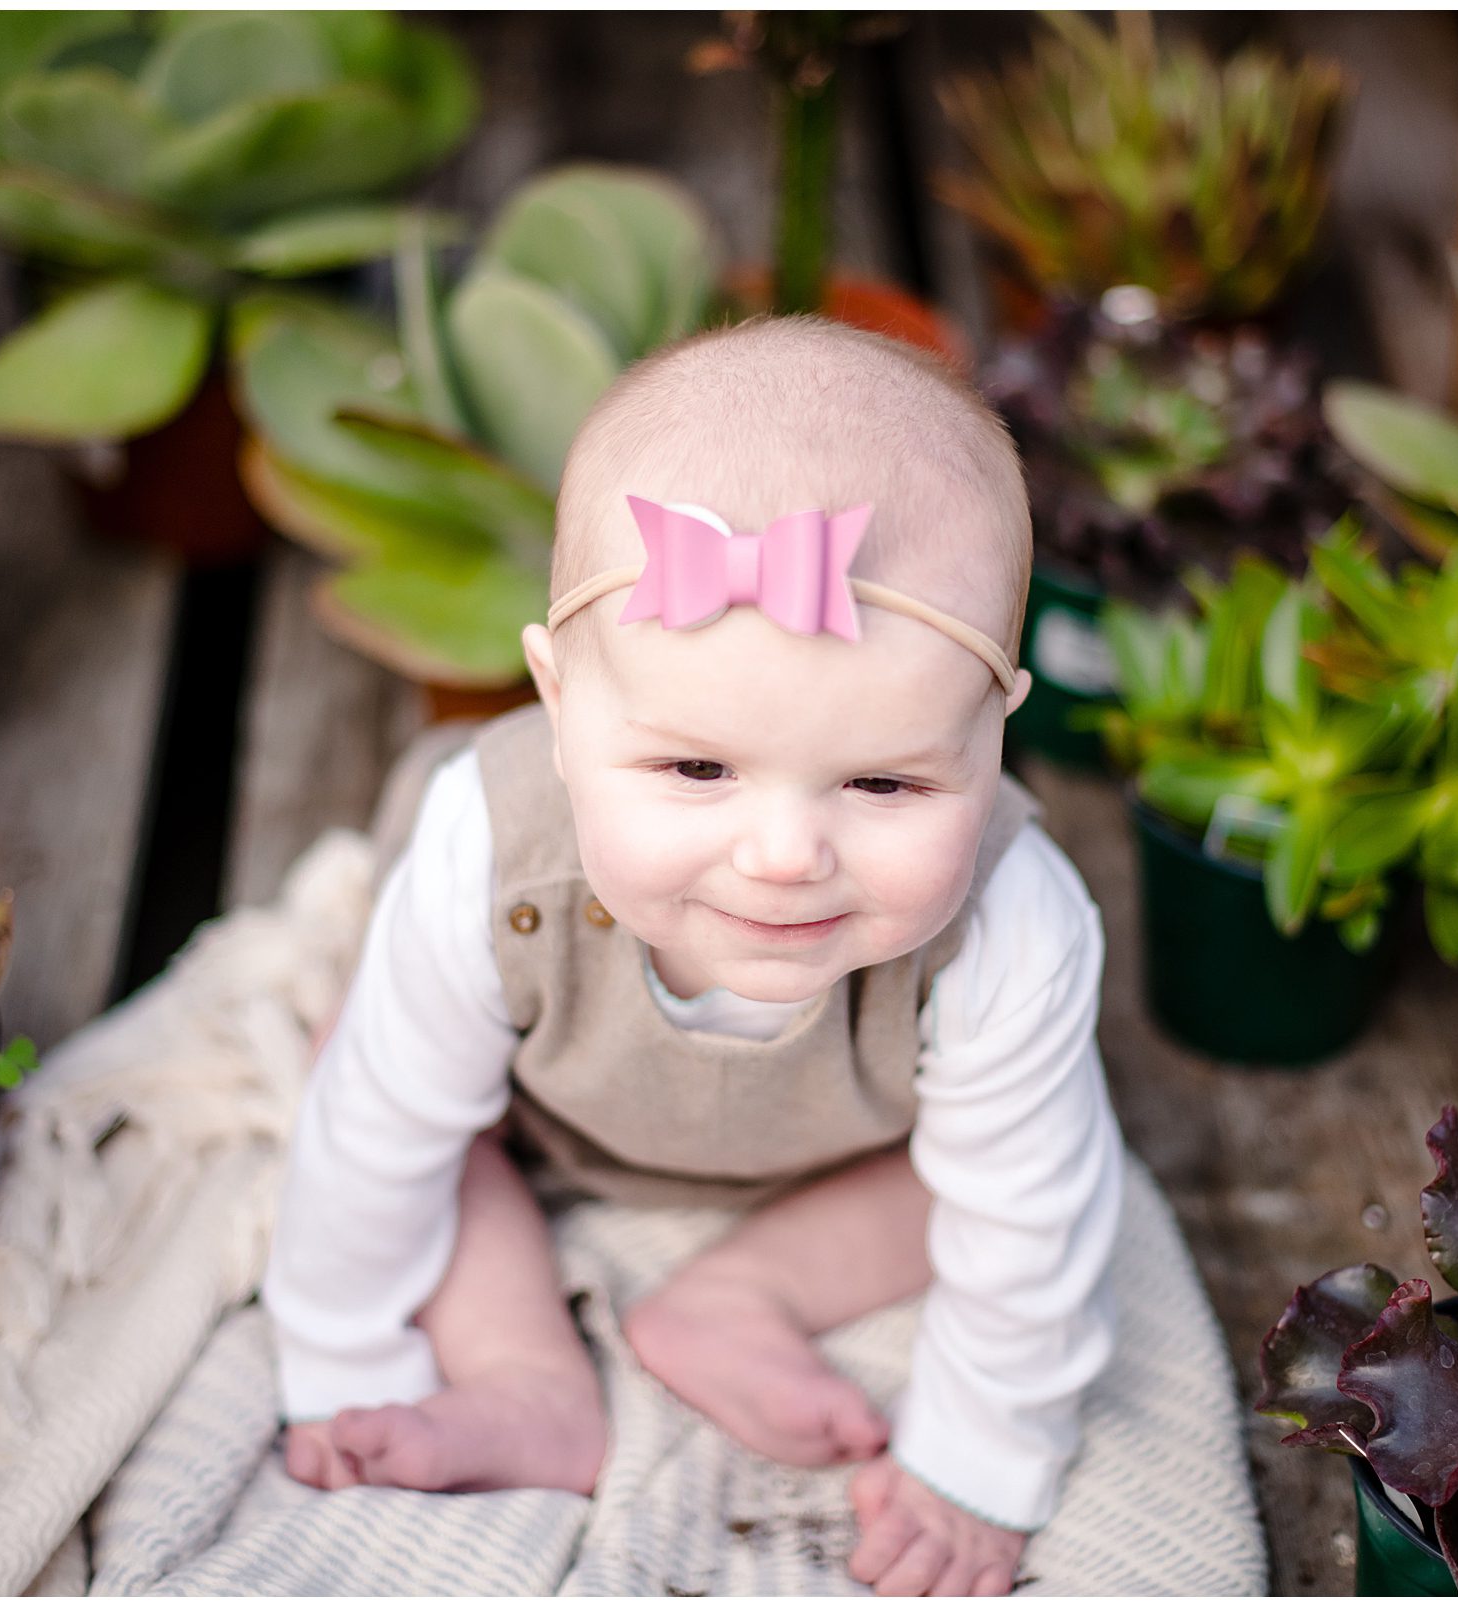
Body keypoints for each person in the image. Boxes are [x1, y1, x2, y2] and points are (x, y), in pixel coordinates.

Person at [264, 315, 1123, 1598]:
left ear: (996, 723)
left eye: (884, 779)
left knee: (1033, 1179)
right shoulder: (487, 855)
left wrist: (979, 1459)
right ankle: (531, 1379)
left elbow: (1026, 1227)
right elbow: (382, 1136)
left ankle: (737, 1293)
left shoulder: (1013, 921)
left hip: (853, 1153)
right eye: (696, 767)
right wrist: (343, 1359)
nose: (784, 852)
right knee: (373, 1088)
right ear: (557, 707)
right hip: (539, 1122)